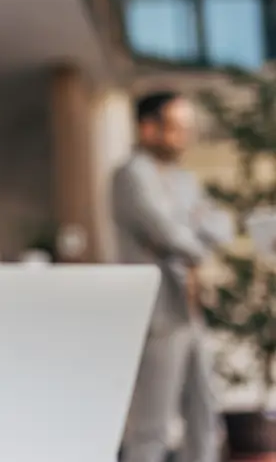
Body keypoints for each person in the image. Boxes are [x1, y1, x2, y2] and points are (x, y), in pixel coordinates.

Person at [114, 92, 228, 462]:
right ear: (148, 128)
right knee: (153, 426)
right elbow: (165, 231)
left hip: (191, 309)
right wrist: (189, 228)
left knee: (205, 416)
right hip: (160, 315)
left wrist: (188, 230)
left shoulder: (184, 180)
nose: (185, 135)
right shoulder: (131, 174)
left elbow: (220, 226)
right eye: (177, 126)